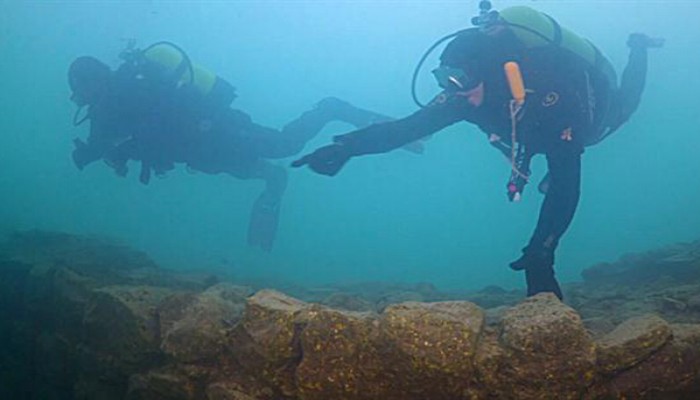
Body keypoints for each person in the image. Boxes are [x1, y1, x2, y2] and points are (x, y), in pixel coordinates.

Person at [292, 5, 663, 299]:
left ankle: (638, 47)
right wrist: (347, 146)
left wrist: (541, 253)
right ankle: (548, 155)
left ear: (492, 72)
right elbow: (406, 129)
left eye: (462, 81)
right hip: (531, 132)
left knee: (626, 106)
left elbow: (567, 185)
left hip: (585, 119)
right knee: (547, 149)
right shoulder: (464, 96)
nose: (455, 91)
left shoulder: (553, 93)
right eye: (446, 80)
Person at [68, 41, 394, 251]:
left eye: (78, 88)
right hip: (203, 154)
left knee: (284, 144)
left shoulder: (129, 89)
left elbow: (157, 127)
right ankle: (273, 184)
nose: (77, 97)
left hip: (221, 132)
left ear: (93, 80)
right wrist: (88, 154)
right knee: (258, 171)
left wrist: (122, 150)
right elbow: (106, 141)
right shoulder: (107, 106)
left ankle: (330, 108)